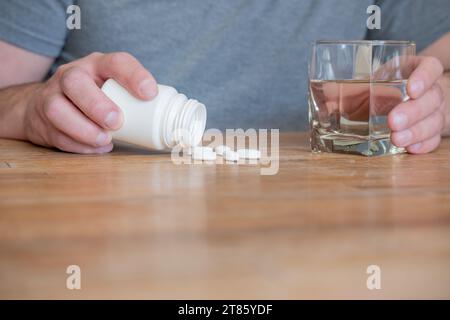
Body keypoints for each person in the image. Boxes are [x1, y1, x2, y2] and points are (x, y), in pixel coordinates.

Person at [0, 0, 449, 154]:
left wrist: (436, 102)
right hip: (102, 227)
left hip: (323, 230)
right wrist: (31, 108)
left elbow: (439, 74)